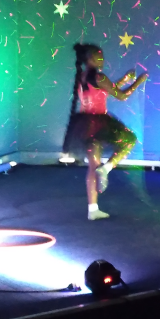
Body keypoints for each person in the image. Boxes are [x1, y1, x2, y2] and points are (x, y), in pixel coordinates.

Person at [63, 43, 148, 220]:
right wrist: (138, 82)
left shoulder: (82, 77)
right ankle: (107, 168)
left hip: (84, 124)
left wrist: (125, 79)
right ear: (90, 59)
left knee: (92, 166)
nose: (102, 60)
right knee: (129, 140)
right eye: (98, 57)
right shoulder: (99, 77)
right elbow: (121, 96)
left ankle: (93, 209)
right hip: (99, 123)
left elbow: (104, 91)